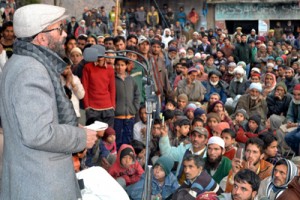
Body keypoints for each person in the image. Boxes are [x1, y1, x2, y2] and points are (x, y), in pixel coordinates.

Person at [0, 4, 98, 199]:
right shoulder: (31, 71)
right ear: (41, 37)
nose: (64, 35)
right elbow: (38, 133)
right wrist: (79, 137)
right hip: (39, 185)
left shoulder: (22, 61)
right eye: (59, 29)